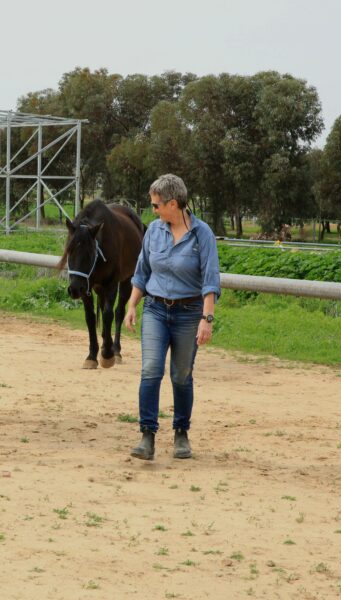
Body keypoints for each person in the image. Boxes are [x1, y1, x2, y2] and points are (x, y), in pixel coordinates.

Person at [123, 174, 221, 460]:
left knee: (181, 375)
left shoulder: (202, 235)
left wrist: (207, 319)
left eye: (156, 205)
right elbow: (142, 273)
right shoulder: (153, 231)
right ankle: (147, 436)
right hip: (155, 308)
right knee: (150, 370)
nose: (153, 210)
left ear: (173, 203)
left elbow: (210, 280)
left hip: (189, 313)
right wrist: (131, 305)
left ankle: (181, 433)